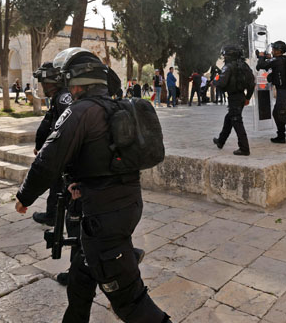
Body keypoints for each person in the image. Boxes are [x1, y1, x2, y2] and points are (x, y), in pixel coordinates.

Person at [15, 48, 170, 323]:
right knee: (80, 277)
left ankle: (121, 262)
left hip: (104, 217)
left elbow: (47, 162)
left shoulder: (80, 112)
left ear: (74, 83)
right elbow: (105, 159)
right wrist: (80, 182)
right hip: (124, 205)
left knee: (130, 302)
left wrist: (24, 197)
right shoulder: (113, 107)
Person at [31, 62, 73, 228]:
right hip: (59, 149)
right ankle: (54, 215)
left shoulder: (63, 97)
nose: (43, 87)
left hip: (63, 150)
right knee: (56, 183)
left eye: (45, 83)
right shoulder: (58, 98)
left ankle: (53, 216)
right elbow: (48, 123)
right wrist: (40, 144)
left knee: (58, 182)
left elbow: (65, 124)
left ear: (53, 82)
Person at [213, 45, 254, 156]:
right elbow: (252, 83)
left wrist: (215, 80)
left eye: (225, 55)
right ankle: (220, 141)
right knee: (229, 119)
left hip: (234, 98)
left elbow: (221, 83)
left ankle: (244, 148)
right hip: (241, 97)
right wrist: (247, 97)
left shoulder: (228, 67)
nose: (224, 57)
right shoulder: (245, 66)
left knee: (236, 122)